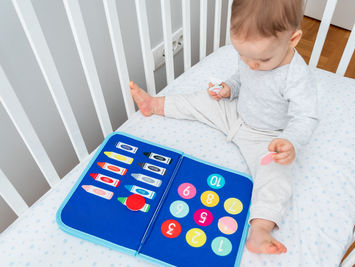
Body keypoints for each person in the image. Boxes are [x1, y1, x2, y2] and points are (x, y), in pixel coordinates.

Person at [130, 0, 318, 255]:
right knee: (200, 100)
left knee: (276, 175)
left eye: (261, 59)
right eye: (243, 55)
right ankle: (155, 104)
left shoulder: (296, 77)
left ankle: (260, 229)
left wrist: (291, 141)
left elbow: (305, 117)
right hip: (236, 112)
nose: (251, 64)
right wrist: (230, 87)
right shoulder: (253, 56)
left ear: (293, 39)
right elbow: (243, 76)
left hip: (268, 136)